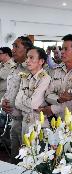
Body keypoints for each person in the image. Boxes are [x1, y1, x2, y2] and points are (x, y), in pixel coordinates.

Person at [40, 34, 72, 128]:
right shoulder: (56, 70)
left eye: (66, 49)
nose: (62, 52)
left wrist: (53, 108)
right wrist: (57, 99)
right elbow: (47, 94)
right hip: (57, 122)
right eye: (62, 49)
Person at [1, 36, 33, 164]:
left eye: (16, 47)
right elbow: (8, 90)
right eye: (13, 46)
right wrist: (3, 102)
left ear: (26, 49)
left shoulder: (32, 69)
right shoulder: (14, 68)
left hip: (27, 120)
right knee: (14, 157)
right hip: (14, 120)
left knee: (27, 160)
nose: (13, 50)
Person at [15, 46, 51, 135]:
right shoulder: (25, 78)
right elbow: (17, 103)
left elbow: (33, 104)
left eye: (31, 57)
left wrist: (23, 99)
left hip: (39, 124)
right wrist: (30, 106)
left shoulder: (45, 78)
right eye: (27, 57)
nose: (27, 61)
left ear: (41, 61)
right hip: (25, 123)